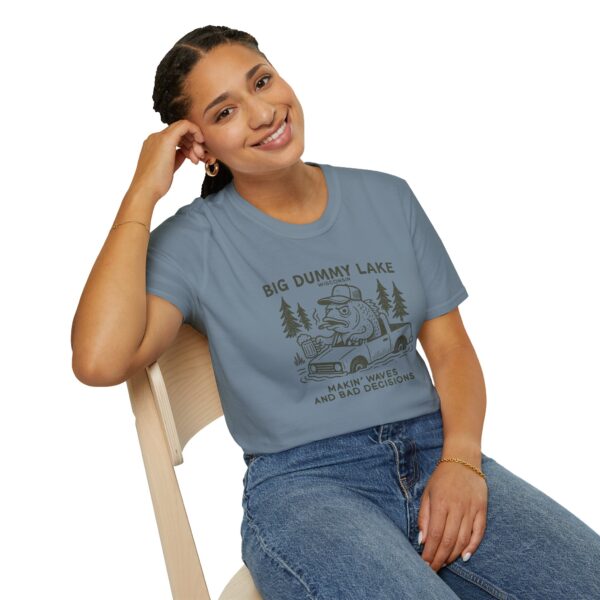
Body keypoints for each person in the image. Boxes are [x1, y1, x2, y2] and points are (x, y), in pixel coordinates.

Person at [71, 25, 600, 599]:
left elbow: (451, 351)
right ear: (202, 149)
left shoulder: (388, 198)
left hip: (436, 450)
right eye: (225, 112)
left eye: (262, 82)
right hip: (306, 486)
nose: (263, 113)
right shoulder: (194, 242)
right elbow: (99, 361)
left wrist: (463, 461)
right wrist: (142, 192)